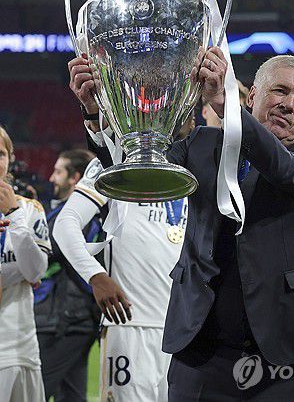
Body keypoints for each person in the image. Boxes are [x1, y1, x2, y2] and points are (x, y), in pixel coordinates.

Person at [69, 48, 294, 400]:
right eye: (280, 90)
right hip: (201, 347)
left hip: (283, 356)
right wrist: (96, 114)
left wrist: (228, 109)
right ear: (252, 96)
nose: (289, 104)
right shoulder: (200, 143)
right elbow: (136, 169)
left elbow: (286, 171)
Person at [53, 156, 187, 401]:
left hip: (185, 330)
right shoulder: (113, 158)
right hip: (130, 324)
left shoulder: (192, 159)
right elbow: (65, 223)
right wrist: (96, 275)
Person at [34, 148, 102, 402]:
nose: (52, 178)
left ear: (75, 178)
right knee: (71, 395)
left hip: (66, 319)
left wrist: (23, 216)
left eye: (58, 172)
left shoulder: (77, 217)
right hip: (69, 318)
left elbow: (48, 249)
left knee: (33, 391)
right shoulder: (62, 212)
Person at [0, 125, 50, 402]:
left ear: (10, 159)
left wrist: (13, 215)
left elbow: (35, 270)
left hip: (18, 347)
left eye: (0, 154)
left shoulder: (29, 210)